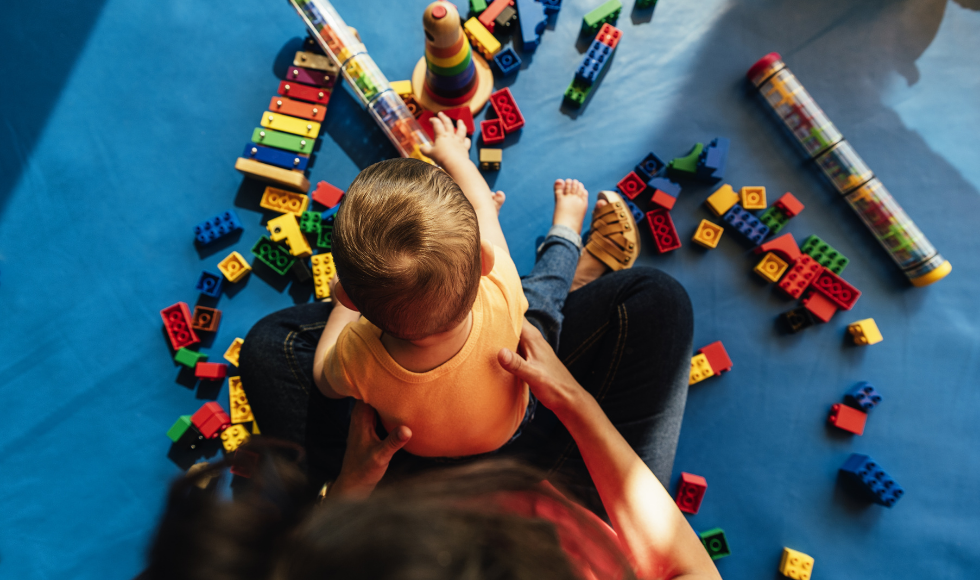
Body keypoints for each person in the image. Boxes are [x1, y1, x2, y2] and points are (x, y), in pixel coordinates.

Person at [143, 321, 719, 580]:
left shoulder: (349, 551)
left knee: (274, 350)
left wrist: (352, 486)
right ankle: (548, 307)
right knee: (651, 304)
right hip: (567, 501)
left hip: (429, 494)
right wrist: (573, 401)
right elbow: (681, 565)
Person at [312, 111, 600, 458]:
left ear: (349, 298)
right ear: (484, 258)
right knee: (543, 293)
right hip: (513, 422)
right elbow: (481, 203)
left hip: (422, 453)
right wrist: (454, 156)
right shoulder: (500, 283)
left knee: (536, 294)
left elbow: (322, 380)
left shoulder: (356, 357)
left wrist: (340, 311)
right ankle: (567, 233)